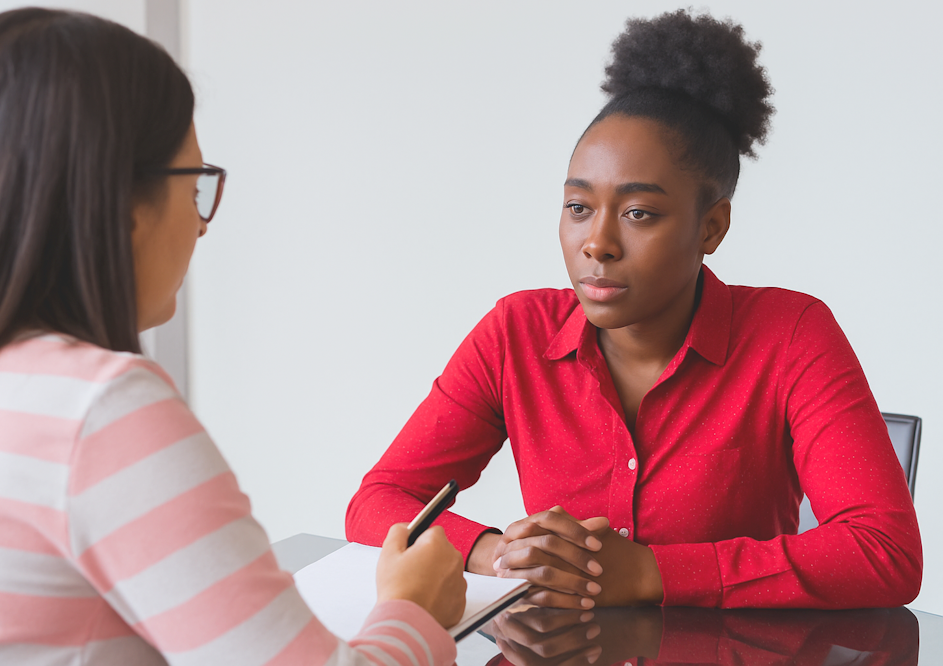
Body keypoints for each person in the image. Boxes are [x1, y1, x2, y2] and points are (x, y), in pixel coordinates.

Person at [346, 9, 922, 610]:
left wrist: (652, 572)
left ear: (712, 227)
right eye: (577, 207)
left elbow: (883, 553)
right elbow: (379, 500)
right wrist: (498, 554)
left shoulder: (791, 335)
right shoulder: (514, 333)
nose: (597, 243)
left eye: (638, 213)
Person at [0, 9, 464, 665]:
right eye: (195, 187)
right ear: (120, 202)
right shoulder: (98, 410)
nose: (202, 227)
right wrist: (414, 611)